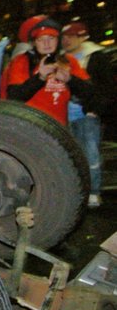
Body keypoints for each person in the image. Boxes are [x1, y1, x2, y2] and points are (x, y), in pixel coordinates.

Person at [3, 16, 92, 127]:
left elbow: (90, 93)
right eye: (41, 39)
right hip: (29, 125)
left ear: (58, 40)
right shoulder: (22, 61)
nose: (47, 43)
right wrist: (39, 78)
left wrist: (70, 79)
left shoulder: (68, 61)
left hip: (59, 128)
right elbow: (13, 97)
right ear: (34, 43)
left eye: (51, 38)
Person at [62, 22, 113, 208]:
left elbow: (106, 87)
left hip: (86, 114)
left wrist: (96, 110)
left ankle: (93, 191)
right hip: (65, 114)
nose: (67, 40)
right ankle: (77, 191)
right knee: (71, 155)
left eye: (72, 36)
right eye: (64, 36)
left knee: (91, 154)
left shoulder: (97, 57)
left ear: (83, 37)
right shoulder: (61, 59)